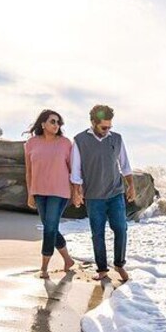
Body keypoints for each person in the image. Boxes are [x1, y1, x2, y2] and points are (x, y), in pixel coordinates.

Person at [70, 104, 136, 282]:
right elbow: (76, 171)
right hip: (93, 196)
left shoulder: (117, 139)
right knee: (97, 233)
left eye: (110, 127)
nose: (107, 130)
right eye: (103, 127)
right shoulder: (79, 140)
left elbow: (125, 165)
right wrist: (76, 192)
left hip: (115, 193)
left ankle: (119, 264)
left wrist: (131, 186)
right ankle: (101, 268)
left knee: (121, 229)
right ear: (93, 122)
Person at [24, 109, 76, 278]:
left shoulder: (65, 143)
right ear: (43, 124)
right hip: (39, 191)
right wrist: (30, 193)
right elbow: (29, 172)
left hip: (59, 191)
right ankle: (68, 260)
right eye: (53, 121)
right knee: (50, 227)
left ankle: (44, 267)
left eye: (58, 122)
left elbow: (73, 170)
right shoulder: (31, 143)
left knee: (49, 228)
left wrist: (77, 192)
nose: (56, 125)